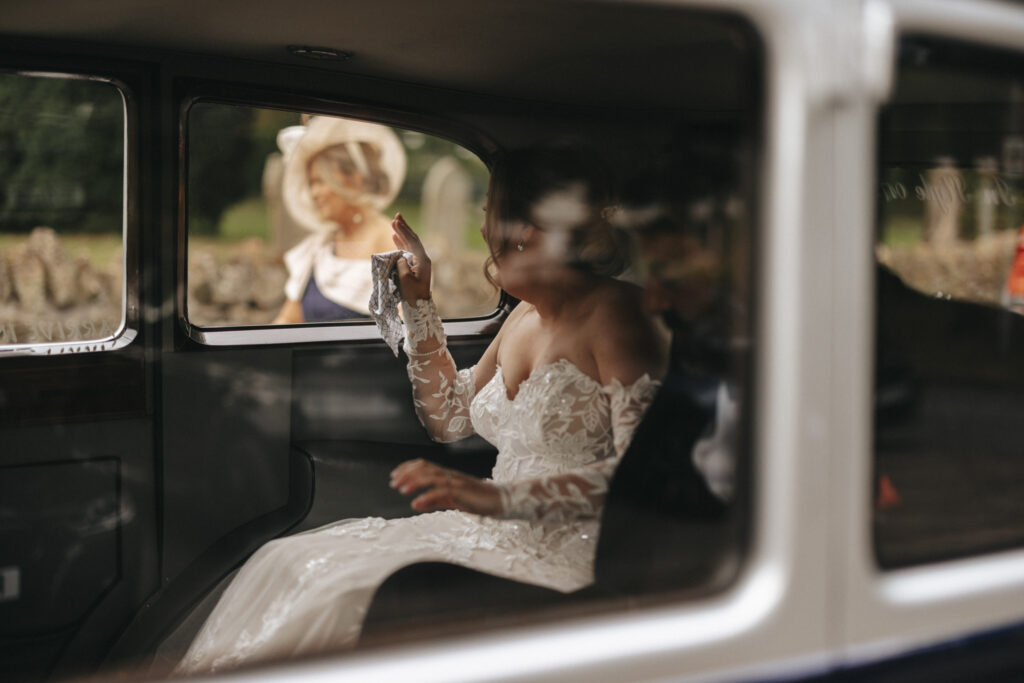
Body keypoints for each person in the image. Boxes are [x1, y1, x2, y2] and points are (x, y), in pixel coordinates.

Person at [174, 146, 667, 673]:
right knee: (293, 562)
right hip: (485, 530)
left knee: (348, 598)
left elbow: (644, 474)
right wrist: (418, 303)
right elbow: (450, 417)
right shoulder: (523, 314)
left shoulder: (618, 317)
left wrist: (496, 497)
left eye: (488, 215)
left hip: (570, 556)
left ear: (529, 228)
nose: (481, 232)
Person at [272, 115, 406, 324]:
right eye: (310, 183)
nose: (313, 193)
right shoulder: (319, 247)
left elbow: (402, 330)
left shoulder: (387, 240)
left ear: (355, 179)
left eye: (319, 181)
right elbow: (287, 321)